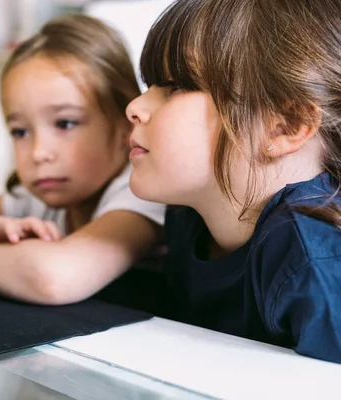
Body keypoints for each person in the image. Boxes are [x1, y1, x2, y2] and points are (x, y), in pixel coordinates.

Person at [126, 0, 341, 362]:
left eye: (175, 86)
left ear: (285, 125)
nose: (135, 106)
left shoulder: (313, 259)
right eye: (148, 85)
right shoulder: (186, 218)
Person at [0, 14, 166, 306]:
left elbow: (54, 278)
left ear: (124, 127)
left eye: (65, 124)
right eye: (20, 131)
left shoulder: (141, 193)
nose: (38, 153)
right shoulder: (36, 196)